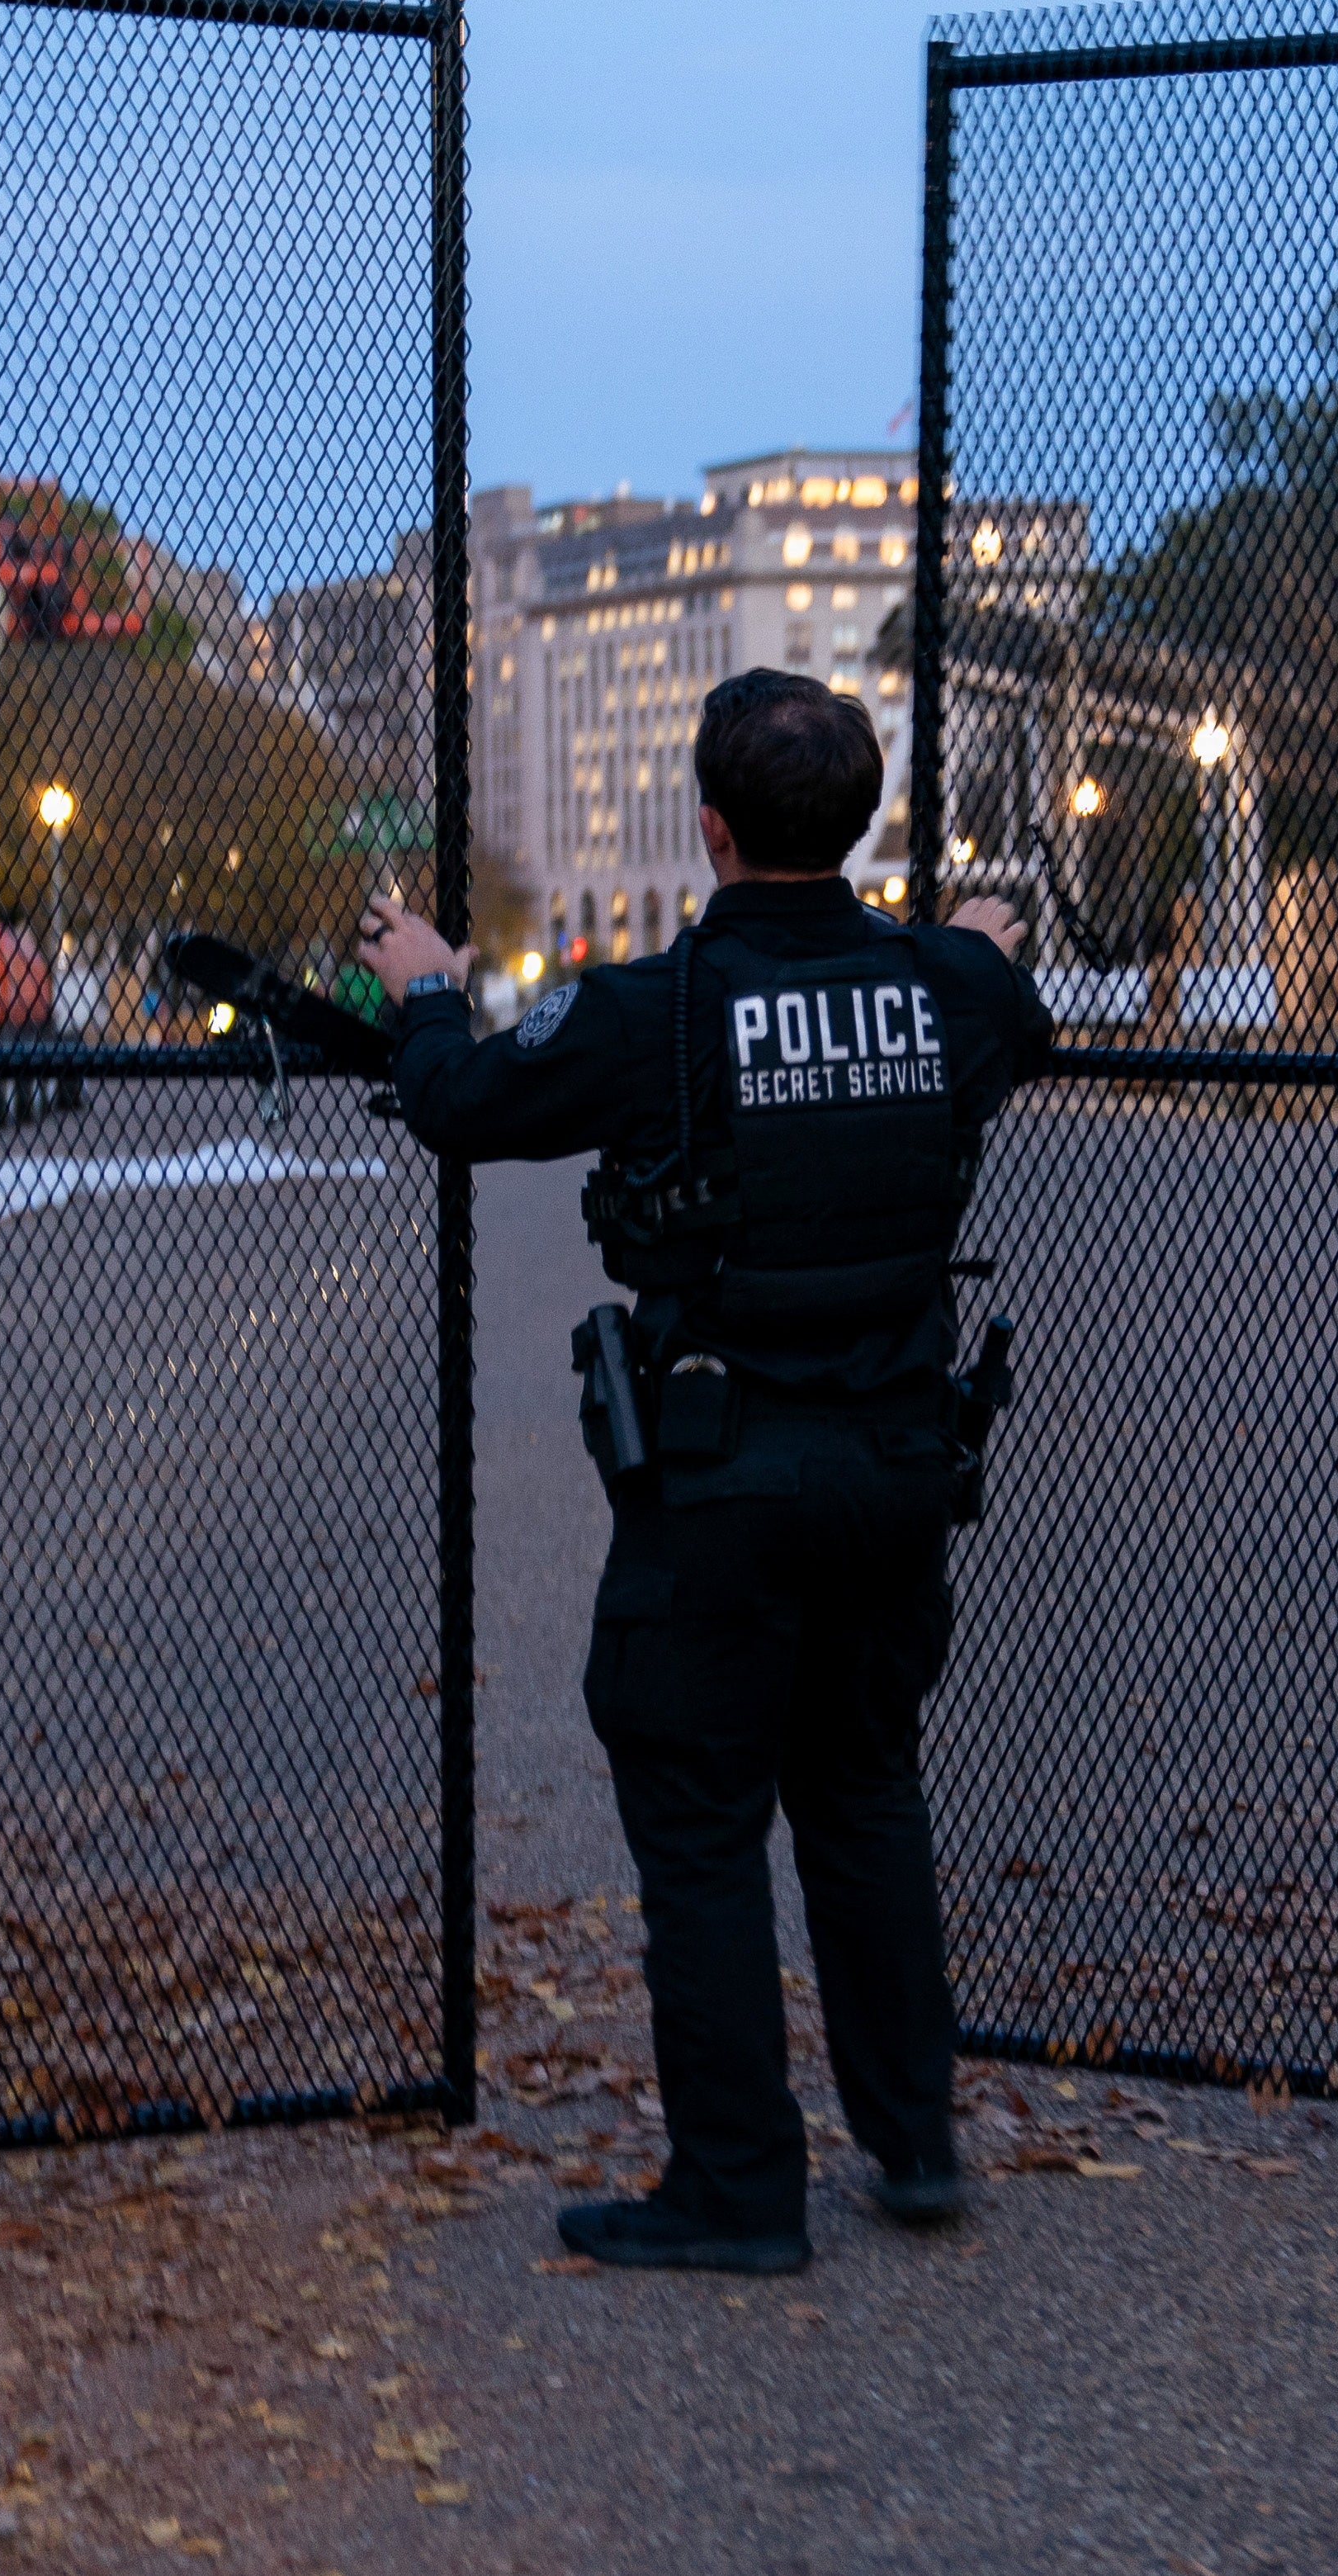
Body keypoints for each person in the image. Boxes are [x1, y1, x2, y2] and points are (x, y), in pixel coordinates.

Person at [357, 669, 1049, 2275]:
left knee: (701, 1821)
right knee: (866, 1795)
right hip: (894, 1470)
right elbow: (998, 989)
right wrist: (986, 929)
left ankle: (738, 2189)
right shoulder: (945, 988)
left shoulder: (654, 1011)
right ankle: (914, 2145)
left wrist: (423, 984)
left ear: (708, 827)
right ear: (862, 822)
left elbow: (456, 1103)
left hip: (719, 1480)